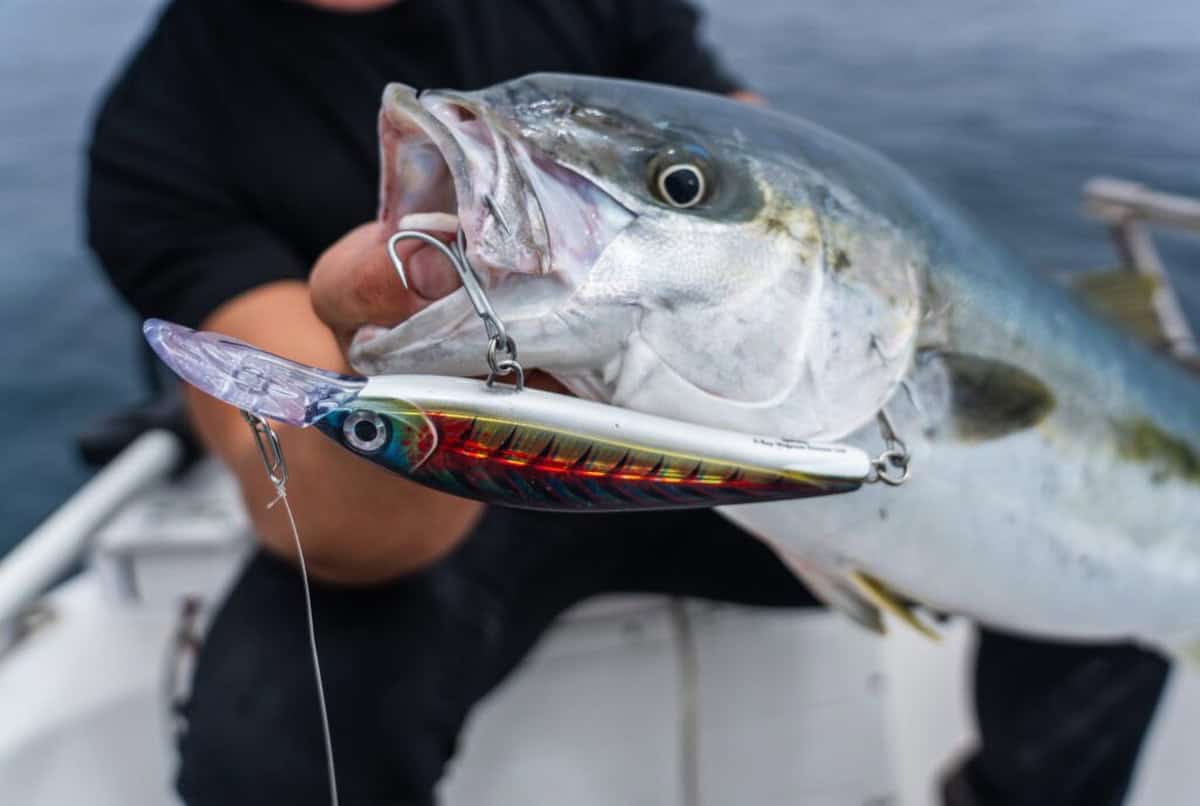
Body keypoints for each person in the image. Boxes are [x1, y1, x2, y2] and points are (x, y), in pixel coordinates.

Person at [86, 1, 1170, 804]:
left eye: (675, 195)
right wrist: (438, 367)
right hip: (457, 508)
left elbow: (774, 169)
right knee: (272, 750)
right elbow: (333, 531)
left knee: (1110, 564)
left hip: (748, 437)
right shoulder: (161, 135)